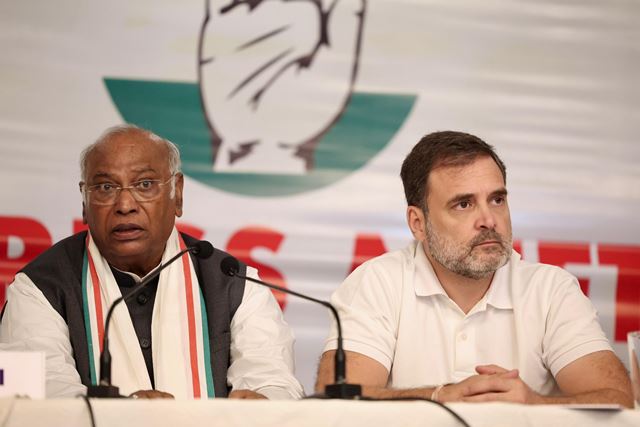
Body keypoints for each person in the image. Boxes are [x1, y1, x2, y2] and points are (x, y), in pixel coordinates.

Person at [316, 131, 633, 406]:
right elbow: (336, 399)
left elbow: (619, 400)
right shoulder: (377, 283)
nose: (489, 220)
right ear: (418, 223)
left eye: (497, 200)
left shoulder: (550, 290)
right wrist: (439, 397)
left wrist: (535, 405)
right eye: (464, 204)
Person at [0, 124, 304, 400]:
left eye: (144, 184)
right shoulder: (39, 287)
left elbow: (273, 379)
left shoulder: (235, 284)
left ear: (177, 194)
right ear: (84, 201)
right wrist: (124, 414)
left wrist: (263, 402)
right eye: (105, 187)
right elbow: (32, 393)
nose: (125, 205)